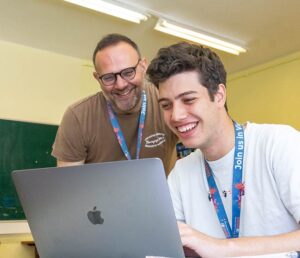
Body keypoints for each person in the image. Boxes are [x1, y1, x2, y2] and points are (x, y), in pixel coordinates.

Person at [147, 42, 300, 257]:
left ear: (219, 95)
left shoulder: (278, 143)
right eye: (166, 105)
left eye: (189, 100)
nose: (176, 116)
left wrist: (221, 248)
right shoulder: (181, 173)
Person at [52, 34, 177, 174]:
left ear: (143, 66)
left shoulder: (166, 100)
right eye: (109, 77)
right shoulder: (78, 117)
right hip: (101, 196)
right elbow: (69, 184)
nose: (121, 85)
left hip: (158, 195)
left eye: (128, 72)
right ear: (97, 78)